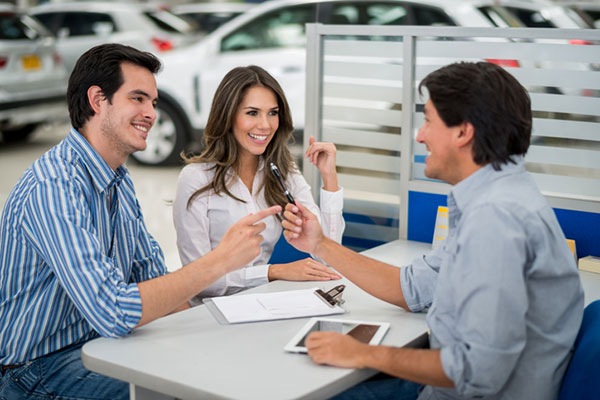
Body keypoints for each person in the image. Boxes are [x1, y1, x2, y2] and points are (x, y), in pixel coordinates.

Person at [281, 61, 584, 399]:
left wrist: (364, 354)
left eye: (428, 120)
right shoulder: (499, 197)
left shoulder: (496, 220)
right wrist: (319, 244)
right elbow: (412, 289)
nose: (420, 135)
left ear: (462, 132)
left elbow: (477, 371)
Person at [0, 44, 280, 400]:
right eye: (138, 98)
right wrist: (219, 262)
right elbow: (114, 311)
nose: (151, 113)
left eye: (153, 102)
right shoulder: (54, 187)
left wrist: (223, 333)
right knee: (188, 389)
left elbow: (153, 279)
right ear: (97, 100)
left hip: (104, 346)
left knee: (224, 367)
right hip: (37, 370)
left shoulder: (118, 179)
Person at [173, 65, 344, 303]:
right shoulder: (197, 179)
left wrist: (330, 179)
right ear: (228, 116)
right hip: (212, 316)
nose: (265, 125)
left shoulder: (284, 172)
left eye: (272, 113)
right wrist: (272, 272)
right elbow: (198, 281)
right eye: (252, 113)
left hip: (264, 304)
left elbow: (328, 257)